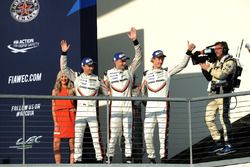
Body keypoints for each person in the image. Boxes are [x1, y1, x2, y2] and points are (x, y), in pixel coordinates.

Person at [141, 42, 195, 163]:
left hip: (163, 109)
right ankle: (151, 158)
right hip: (150, 109)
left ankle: (163, 159)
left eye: (162, 59)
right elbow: (142, 91)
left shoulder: (167, 72)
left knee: (162, 136)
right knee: (147, 135)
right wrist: (145, 102)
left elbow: (182, 65)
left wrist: (188, 52)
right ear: (153, 60)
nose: (160, 61)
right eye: (158, 59)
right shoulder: (146, 74)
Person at [102, 27, 143, 164]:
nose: (124, 62)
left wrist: (135, 41)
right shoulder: (108, 73)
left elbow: (139, 57)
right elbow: (103, 86)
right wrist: (108, 94)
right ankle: (109, 158)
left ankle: (128, 159)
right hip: (114, 109)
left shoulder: (129, 71)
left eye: (125, 60)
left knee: (128, 134)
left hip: (127, 109)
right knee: (113, 136)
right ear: (116, 61)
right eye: (122, 61)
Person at [60, 40, 103, 163]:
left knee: (96, 138)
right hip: (81, 111)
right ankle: (78, 161)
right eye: (89, 65)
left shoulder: (97, 79)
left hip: (92, 112)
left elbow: (107, 93)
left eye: (92, 65)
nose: (91, 67)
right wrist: (64, 53)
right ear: (83, 66)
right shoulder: (77, 77)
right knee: (78, 138)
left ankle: (100, 160)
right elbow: (64, 68)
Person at [198, 41, 236, 155]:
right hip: (214, 94)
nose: (216, 50)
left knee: (224, 119)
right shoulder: (216, 62)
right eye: (215, 49)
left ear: (224, 49)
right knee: (208, 118)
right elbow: (210, 77)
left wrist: (208, 68)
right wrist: (203, 67)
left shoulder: (230, 62)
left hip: (224, 94)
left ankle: (228, 144)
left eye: (218, 48)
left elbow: (222, 75)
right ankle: (218, 142)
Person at [52, 71, 76, 164]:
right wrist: (55, 122)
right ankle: (58, 165)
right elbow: (53, 107)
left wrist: (75, 109)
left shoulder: (72, 90)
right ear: (59, 78)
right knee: (56, 144)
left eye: (66, 77)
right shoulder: (55, 91)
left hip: (70, 118)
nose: (64, 79)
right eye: (62, 77)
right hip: (59, 119)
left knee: (72, 145)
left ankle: (72, 165)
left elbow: (80, 102)